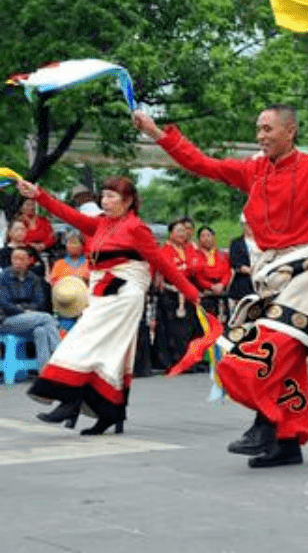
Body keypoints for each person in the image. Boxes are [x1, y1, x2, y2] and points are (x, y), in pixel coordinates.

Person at [132, 105, 308, 469]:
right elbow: (203, 164)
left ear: (290, 131)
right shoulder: (253, 170)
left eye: (268, 129)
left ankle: (265, 424)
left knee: (262, 349)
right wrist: (157, 133)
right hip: (270, 274)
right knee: (286, 361)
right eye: (258, 129)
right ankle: (286, 441)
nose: (261, 135)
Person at [21, 176, 201, 434]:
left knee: (80, 341)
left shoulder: (136, 228)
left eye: (111, 197)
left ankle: (70, 399)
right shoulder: (101, 224)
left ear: (128, 202)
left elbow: (162, 263)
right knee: (111, 355)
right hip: (101, 292)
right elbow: (68, 214)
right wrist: (39, 194)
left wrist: (191, 292)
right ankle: (108, 414)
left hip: (124, 293)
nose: (104, 201)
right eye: (103, 196)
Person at [0, 246, 60, 369]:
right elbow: (5, 305)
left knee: (41, 331)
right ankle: (59, 355)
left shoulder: (34, 279)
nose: (18, 262)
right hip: (6, 320)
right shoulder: (4, 277)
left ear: (29, 261)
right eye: (15, 258)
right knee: (47, 318)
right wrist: (24, 310)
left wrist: (23, 309)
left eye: (21, 259)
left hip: (29, 320)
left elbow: (40, 303)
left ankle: (45, 373)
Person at [152, 218, 198, 371]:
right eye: (178, 231)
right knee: (172, 330)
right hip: (171, 294)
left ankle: (189, 360)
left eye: (184, 232)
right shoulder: (164, 250)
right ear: (170, 233)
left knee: (188, 328)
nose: (182, 234)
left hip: (188, 293)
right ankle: (174, 361)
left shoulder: (189, 249)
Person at [192, 225, 231, 319]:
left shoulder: (222, 254)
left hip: (221, 293)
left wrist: (222, 284)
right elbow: (198, 275)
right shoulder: (195, 256)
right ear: (199, 239)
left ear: (213, 237)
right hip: (205, 295)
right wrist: (211, 286)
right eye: (203, 236)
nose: (206, 239)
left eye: (208, 235)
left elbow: (227, 272)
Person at [227, 232, 254, 303]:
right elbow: (235, 262)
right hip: (243, 281)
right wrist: (244, 268)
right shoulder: (236, 243)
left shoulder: (262, 241)